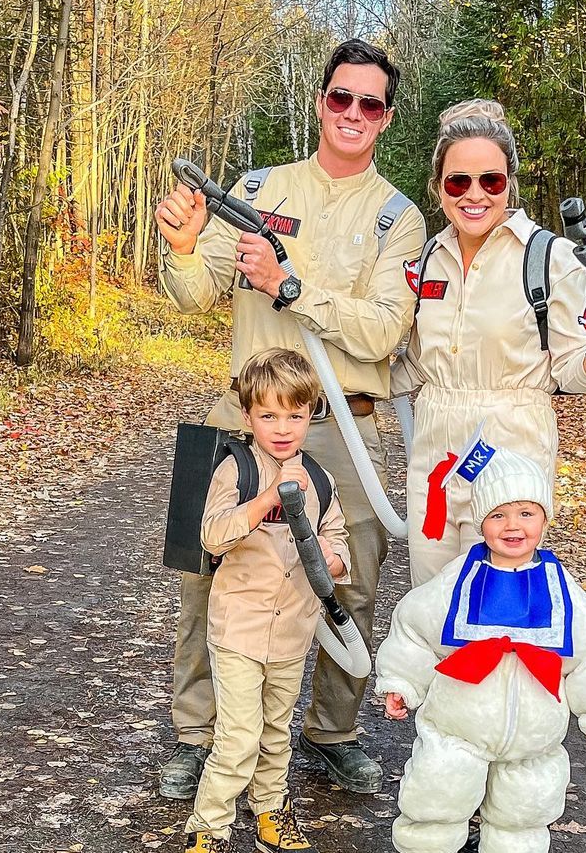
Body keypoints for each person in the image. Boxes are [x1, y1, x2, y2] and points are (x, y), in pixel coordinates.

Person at [155, 39, 426, 797]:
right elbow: (192, 291)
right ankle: (196, 734)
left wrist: (290, 285)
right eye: (341, 97)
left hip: (342, 425)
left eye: (369, 104)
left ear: (386, 118)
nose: (353, 113)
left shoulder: (398, 219)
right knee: (202, 570)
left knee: (349, 579)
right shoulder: (257, 184)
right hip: (239, 413)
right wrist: (181, 247)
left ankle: (333, 732)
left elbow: (381, 330)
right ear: (320, 101)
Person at [392, 100, 586, 589]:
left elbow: (571, 373)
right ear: (439, 187)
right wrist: (342, 385)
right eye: (458, 181)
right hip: (435, 448)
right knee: (429, 602)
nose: (474, 195)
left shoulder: (549, 258)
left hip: (512, 448)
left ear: (509, 184)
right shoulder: (427, 259)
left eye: (491, 181)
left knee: (492, 609)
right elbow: (416, 366)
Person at [374, 447, 586, 853]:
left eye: (527, 513)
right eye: (499, 515)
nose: (513, 526)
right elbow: (415, 629)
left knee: (525, 800)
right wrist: (401, 684)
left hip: (535, 732)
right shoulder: (459, 581)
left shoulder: (562, 589)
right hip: (459, 722)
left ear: (545, 519)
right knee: (440, 785)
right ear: (480, 523)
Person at [179, 349, 350, 853]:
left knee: (277, 729)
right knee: (239, 736)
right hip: (239, 628)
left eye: (294, 416)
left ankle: (272, 812)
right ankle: (207, 834)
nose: (282, 428)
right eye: (269, 416)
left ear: (311, 415)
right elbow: (212, 534)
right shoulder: (238, 468)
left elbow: (338, 542)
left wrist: (334, 557)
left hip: (293, 631)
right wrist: (267, 500)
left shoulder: (321, 479)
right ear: (249, 415)